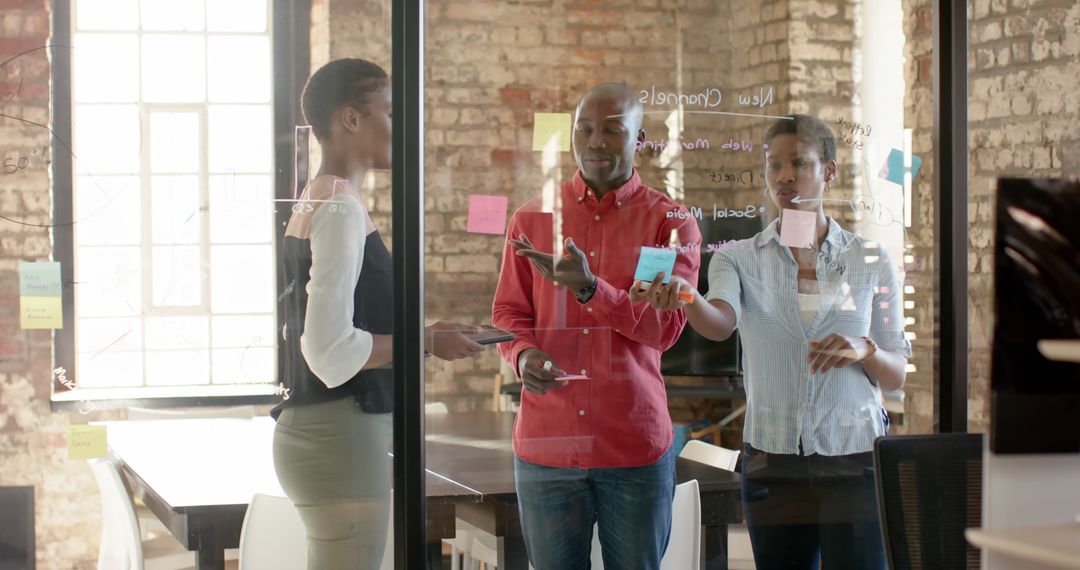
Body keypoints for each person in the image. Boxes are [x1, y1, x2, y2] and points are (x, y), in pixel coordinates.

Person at [634, 113, 911, 569]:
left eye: (799, 163)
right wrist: (686, 297)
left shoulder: (871, 260)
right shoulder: (737, 260)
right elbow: (721, 322)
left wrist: (866, 349)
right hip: (773, 463)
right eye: (774, 165)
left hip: (855, 458)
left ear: (829, 171)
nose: (785, 176)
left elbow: (897, 372)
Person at [271, 58, 484, 570]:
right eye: (390, 111)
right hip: (339, 433)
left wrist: (427, 337)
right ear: (349, 119)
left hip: (321, 432)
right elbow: (328, 352)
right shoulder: (340, 208)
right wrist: (426, 341)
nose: (401, 125)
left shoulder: (319, 199)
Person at [491, 83, 702, 569]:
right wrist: (523, 356)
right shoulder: (532, 218)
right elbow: (508, 313)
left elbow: (663, 330)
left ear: (640, 139)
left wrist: (591, 289)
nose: (595, 141)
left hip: (632, 446)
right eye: (583, 129)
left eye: (613, 129)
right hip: (548, 444)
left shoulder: (670, 223)